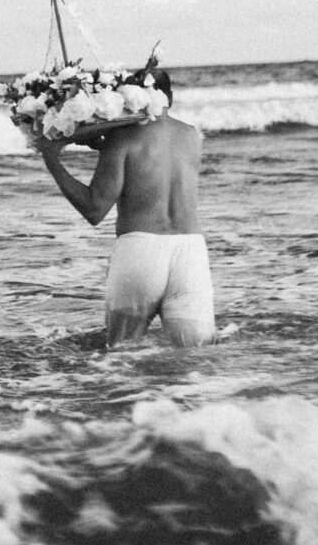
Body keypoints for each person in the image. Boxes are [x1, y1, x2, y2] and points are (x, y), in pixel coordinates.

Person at [35, 72, 215, 347]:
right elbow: (154, 159)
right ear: (170, 97)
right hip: (191, 253)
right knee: (195, 359)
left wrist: (52, 160)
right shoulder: (191, 136)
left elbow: (94, 209)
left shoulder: (122, 140)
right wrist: (103, 144)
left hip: (140, 251)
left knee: (123, 358)